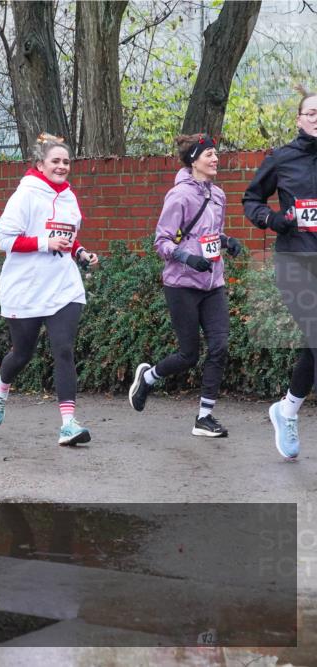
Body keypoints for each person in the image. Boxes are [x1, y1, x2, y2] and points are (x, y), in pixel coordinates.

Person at [0, 133, 99, 446]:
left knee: (63, 349)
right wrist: (42, 243)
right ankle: (2, 388)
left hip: (63, 286)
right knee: (22, 354)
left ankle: (68, 424)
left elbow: (68, 237)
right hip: (26, 287)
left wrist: (81, 253)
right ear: (40, 164)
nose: (62, 167)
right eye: (56, 161)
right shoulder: (25, 195)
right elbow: (4, 239)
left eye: (66, 162)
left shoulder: (69, 198)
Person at [128, 134, 241, 437]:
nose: (215, 159)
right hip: (181, 284)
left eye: (216, 153)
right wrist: (188, 259)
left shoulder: (218, 195)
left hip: (213, 282)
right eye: (209, 155)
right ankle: (149, 377)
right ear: (194, 160)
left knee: (219, 346)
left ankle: (204, 417)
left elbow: (212, 234)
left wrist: (228, 242)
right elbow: (162, 241)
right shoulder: (179, 196)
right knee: (188, 354)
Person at [243, 87, 317, 460]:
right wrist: (274, 220)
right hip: (295, 263)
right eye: (312, 113)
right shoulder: (282, 159)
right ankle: (287, 411)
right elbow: (251, 199)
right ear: (299, 119)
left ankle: (286, 410)